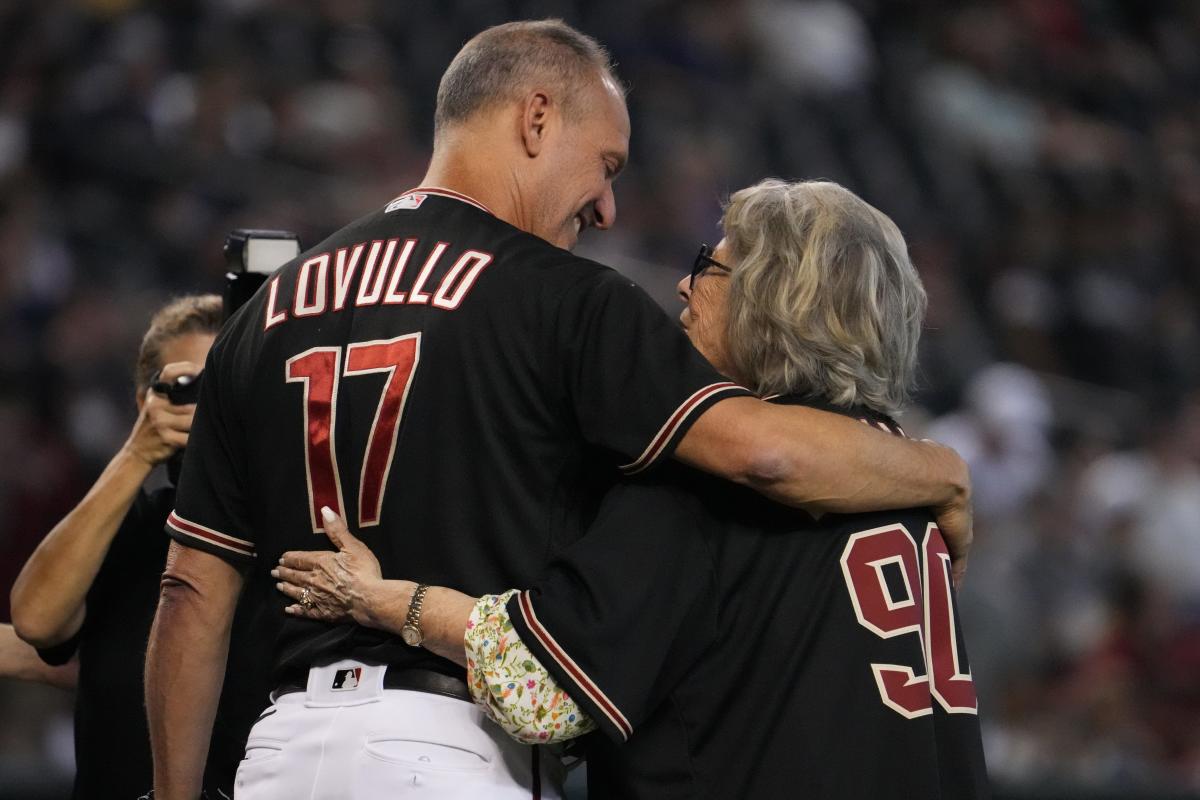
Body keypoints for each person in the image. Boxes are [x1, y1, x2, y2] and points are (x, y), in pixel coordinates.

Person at [145, 21, 972, 800]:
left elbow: (188, 592)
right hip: (450, 749)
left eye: (707, 269)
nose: (608, 207)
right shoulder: (575, 306)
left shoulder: (261, 314)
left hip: (283, 749)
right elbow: (765, 452)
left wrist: (384, 600)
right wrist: (944, 471)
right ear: (536, 118)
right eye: (607, 164)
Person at [280, 180, 990, 797]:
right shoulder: (900, 477)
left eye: (708, 266)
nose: (684, 285)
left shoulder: (714, 474)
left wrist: (390, 601)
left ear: (772, 298)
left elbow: (540, 689)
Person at [8, 295, 268, 799]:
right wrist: (136, 453)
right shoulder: (128, 530)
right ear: (145, 399)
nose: (213, 407)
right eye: (192, 386)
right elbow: (36, 619)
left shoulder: (297, 530)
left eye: (229, 384)